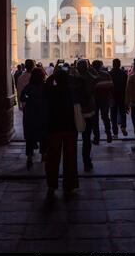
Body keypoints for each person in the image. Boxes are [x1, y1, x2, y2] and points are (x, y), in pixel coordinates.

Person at [45, 68, 79, 197]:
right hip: (70, 128)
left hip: (54, 128)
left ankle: (52, 185)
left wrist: (53, 75)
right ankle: (70, 185)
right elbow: (79, 84)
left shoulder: (51, 91)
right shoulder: (72, 90)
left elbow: (46, 84)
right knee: (70, 158)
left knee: (53, 158)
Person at [20, 67, 48, 169]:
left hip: (30, 115)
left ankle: (29, 157)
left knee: (30, 137)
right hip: (43, 115)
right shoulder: (45, 87)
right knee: (43, 136)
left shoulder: (29, 87)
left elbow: (23, 97)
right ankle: (44, 154)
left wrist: (30, 97)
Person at [77, 59, 99, 172]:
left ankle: (72, 162)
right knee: (86, 139)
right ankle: (86, 162)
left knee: (72, 139)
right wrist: (90, 68)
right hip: (88, 111)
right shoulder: (90, 78)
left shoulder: (73, 79)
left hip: (75, 112)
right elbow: (97, 76)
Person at [91, 60, 114, 144]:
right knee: (105, 117)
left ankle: (96, 138)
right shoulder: (106, 74)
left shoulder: (91, 76)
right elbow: (111, 87)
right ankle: (108, 134)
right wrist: (111, 98)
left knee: (95, 119)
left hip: (94, 100)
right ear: (101, 65)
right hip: (105, 99)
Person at [110, 58, 128, 138]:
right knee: (123, 113)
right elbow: (126, 87)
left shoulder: (109, 74)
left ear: (113, 64)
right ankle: (123, 127)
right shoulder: (124, 74)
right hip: (122, 96)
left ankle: (115, 133)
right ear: (119, 64)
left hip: (113, 97)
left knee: (113, 115)